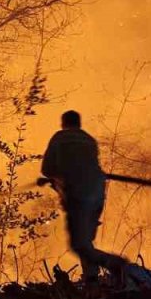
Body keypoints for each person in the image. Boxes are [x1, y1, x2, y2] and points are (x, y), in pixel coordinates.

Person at [39, 110, 128, 282]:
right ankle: (92, 280)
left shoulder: (59, 138)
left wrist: (56, 179)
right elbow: (91, 167)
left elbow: (47, 169)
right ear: (79, 124)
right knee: (86, 242)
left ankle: (115, 263)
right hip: (97, 194)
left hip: (78, 197)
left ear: (63, 123)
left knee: (79, 245)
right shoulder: (88, 140)